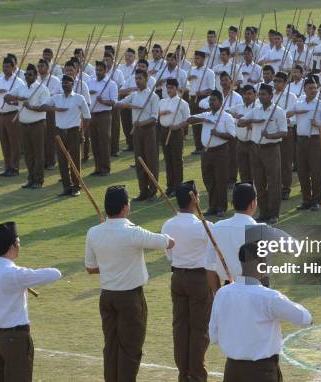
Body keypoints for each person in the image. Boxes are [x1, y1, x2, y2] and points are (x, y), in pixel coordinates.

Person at [85, 185, 175, 382]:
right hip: (130, 298)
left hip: (107, 296)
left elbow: (91, 268)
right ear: (125, 207)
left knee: (111, 347)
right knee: (130, 349)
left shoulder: (94, 232)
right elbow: (167, 242)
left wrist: (111, 264)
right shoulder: (133, 232)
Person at [209, 241, 312, 382]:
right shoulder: (269, 297)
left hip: (232, 370)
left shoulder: (223, 293)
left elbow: (213, 335)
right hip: (261, 372)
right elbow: (304, 318)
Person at [0, 222, 61, 382]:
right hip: (15, 340)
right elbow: (55, 273)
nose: (20, 245)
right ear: (12, 246)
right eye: (18, 242)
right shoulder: (15, 274)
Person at [161, 181, 215, 382]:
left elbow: (168, 254)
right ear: (195, 199)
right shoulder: (204, 226)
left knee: (180, 327)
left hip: (177, 277)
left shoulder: (168, 224)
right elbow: (213, 254)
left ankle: (184, 374)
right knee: (199, 329)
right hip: (198, 279)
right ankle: (197, 374)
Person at [238, 83, 287, 223]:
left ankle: (274, 214)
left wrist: (269, 135)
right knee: (258, 182)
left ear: (271, 96)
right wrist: (253, 121)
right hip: (255, 148)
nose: (260, 96)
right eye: (259, 94)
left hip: (271, 149)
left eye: (263, 94)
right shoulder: (255, 110)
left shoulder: (278, 111)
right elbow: (240, 122)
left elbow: (284, 132)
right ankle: (263, 212)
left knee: (273, 182)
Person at [184, 90, 236, 216]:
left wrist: (218, 133)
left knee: (220, 180)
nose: (211, 102)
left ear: (221, 102)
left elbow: (232, 135)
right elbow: (190, 119)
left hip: (220, 152)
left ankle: (221, 207)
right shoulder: (207, 115)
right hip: (206, 152)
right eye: (210, 100)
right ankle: (212, 206)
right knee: (208, 179)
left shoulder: (226, 117)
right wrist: (196, 119)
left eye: (214, 100)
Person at [115, 70, 160, 201]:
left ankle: (153, 191)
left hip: (149, 130)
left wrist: (141, 123)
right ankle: (143, 191)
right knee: (139, 160)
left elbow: (154, 118)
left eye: (140, 78)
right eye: (136, 79)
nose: (137, 81)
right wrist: (128, 105)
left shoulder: (153, 96)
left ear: (146, 79)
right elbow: (118, 104)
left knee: (151, 161)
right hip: (137, 131)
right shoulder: (134, 95)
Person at [43, 75, 91, 197]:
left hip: (73, 132)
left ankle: (76, 187)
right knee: (62, 161)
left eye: (67, 83)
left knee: (75, 160)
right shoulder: (56, 97)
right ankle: (66, 187)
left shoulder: (79, 98)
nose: (65, 85)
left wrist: (82, 132)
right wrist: (55, 109)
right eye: (63, 83)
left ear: (72, 84)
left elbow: (87, 117)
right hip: (60, 133)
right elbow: (43, 106)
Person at [4, 64, 50, 189]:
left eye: (30, 74)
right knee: (28, 154)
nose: (27, 76)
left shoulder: (42, 88)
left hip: (38, 124)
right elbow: (6, 97)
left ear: (35, 75)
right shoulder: (21, 87)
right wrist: (18, 98)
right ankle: (30, 178)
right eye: (25, 74)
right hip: (23, 124)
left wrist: (31, 107)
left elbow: (45, 107)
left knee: (38, 153)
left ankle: (38, 180)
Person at [292, 77, 321, 211]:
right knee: (302, 171)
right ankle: (306, 200)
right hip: (301, 140)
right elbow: (289, 116)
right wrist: (295, 112)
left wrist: (318, 124)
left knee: (316, 171)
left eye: (315, 88)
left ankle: (316, 200)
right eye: (310, 88)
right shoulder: (298, 103)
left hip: (315, 139)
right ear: (305, 89)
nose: (313, 90)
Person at [0, 57, 25, 178]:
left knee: (14, 142)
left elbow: (23, 98)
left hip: (12, 114)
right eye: (3, 67)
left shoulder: (19, 82)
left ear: (14, 67)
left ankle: (14, 168)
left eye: (8, 67)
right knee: (4, 142)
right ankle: (7, 166)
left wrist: (12, 99)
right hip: (0, 115)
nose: (5, 69)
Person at [159, 79, 190, 196]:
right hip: (164, 131)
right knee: (167, 160)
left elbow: (188, 120)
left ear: (177, 89)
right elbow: (157, 113)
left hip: (176, 132)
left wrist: (177, 126)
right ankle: (170, 186)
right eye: (168, 87)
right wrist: (161, 114)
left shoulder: (182, 103)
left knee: (176, 159)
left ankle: (178, 186)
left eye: (171, 87)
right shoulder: (162, 101)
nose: (169, 90)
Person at [87, 60, 118, 175]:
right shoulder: (90, 81)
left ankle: (105, 168)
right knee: (94, 142)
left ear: (105, 70)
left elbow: (114, 102)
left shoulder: (111, 83)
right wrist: (88, 92)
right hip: (92, 114)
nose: (98, 72)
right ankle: (97, 167)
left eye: (100, 70)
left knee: (104, 142)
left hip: (104, 115)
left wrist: (103, 101)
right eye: (96, 70)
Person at [188, 50, 216, 154]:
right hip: (193, 99)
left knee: (204, 123)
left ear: (203, 59)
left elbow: (211, 89)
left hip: (204, 100)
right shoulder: (191, 70)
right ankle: (198, 147)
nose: (196, 60)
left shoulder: (209, 72)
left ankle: (206, 146)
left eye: (198, 58)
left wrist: (202, 92)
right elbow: (187, 84)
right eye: (195, 58)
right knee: (194, 123)